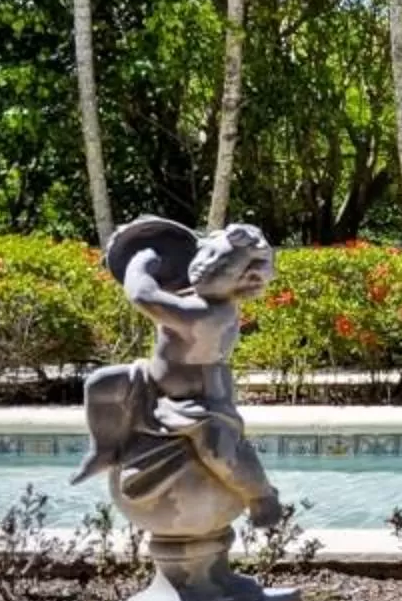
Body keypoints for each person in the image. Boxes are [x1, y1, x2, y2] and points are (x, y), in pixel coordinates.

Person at [74, 219, 284, 536]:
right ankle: (103, 448)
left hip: (200, 400)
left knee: (220, 452)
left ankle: (261, 495)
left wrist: (141, 262)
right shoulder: (195, 294)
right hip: (150, 380)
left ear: (243, 283)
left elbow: (143, 295)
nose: (203, 266)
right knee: (100, 385)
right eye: (207, 253)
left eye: (222, 267)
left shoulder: (211, 315)